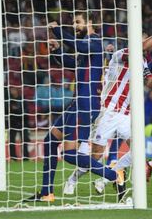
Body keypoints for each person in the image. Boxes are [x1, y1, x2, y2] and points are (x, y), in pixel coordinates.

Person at [65, 14, 152, 200]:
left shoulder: (142, 62)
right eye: (143, 40)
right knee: (95, 156)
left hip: (126, 115)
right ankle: (72, 179)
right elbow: (140, 47)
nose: (146, 43)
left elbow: (150, 84)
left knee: (138, 150)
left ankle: (108, 175)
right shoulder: (122, 54)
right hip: (108, 111)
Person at [26, 11, 124, 202]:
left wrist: (58, 31)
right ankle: (47, 192)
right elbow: (72, 62)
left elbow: (77, 45)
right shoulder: (86, 50)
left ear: (89, 23)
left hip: (86, 105)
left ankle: (113, 175)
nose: (75, 26)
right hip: (76, 104)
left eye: (77, 22)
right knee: (49, 141)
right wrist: (56, 51)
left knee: (70, 154)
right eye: (73, 23)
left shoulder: (95, 43)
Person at [5, 87, 30, 160]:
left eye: (13, 89)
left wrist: (17, 110)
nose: (12, 91)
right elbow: (7, 111)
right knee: (11, 141)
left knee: (25, 139)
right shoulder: (8, 100)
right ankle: (13, 157)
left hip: (22, 122)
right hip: (12, 122)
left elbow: (26, 111)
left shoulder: (22, 100)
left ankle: (26, 157)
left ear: (16, 90)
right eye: (11, 90)